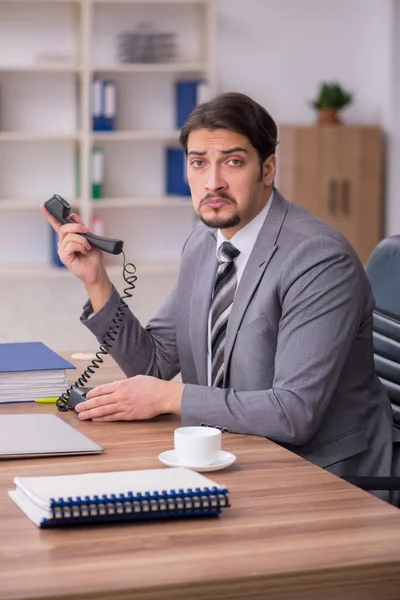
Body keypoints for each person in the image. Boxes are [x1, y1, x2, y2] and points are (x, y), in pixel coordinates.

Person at [42, 92, 395, 495]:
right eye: (199, 163)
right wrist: (96, 281)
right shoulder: (203, 243)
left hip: (323, 475)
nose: (213, 183)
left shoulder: (317, 258)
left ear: (268, 169)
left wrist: (169, 397)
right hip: (234, 455)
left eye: (233, 161)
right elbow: (154, 365)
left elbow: (294, 413)